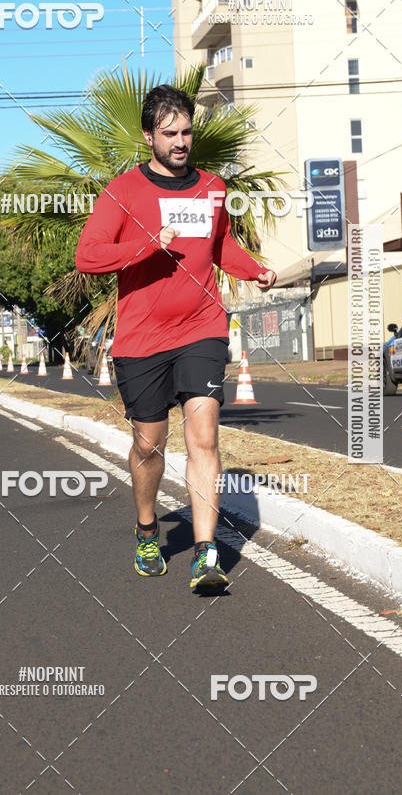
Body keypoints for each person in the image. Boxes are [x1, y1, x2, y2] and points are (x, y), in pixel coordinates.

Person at [75, 85, 277, 591]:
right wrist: (145, 246)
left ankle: (206, 555)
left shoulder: (212, 186)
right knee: (149, 445)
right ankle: (147, 530)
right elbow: (89, 256)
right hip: (141, 339)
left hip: (202, 327)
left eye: (186, 131)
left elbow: (221, 244)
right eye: (170, 134)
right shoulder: (122, 192)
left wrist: (254, 270)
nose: (181, 141)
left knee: (204, 435)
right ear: (149, 137)